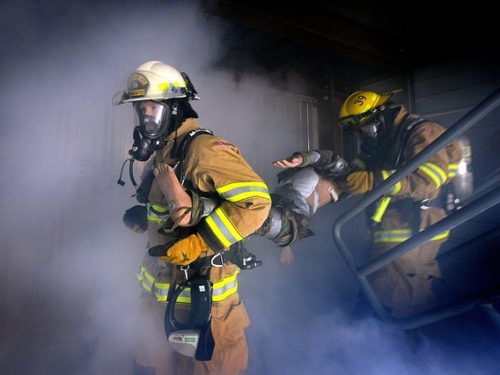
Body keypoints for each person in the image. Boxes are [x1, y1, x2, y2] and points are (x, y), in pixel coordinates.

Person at [114, 60, 271, 375]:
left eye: (152, 109)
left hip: (205, 301)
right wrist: (146, 219)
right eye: (140, 110)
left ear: (174, 109)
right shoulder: (164, 153)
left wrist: (204, 241)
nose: (145, 118)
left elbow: (256, 203)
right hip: (161, 298)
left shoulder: (204, 150)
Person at [282, 91, 462, 318]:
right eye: (359, 132)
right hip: (390, 226)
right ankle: (380, 336)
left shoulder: (423, 132)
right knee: (387, 289)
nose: (364, 136)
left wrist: (371, 180)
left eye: (366, 129)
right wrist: (311, 163)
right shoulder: (380, 142)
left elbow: (427, 182)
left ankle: (400, 344)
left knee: (398, 296)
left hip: (414, 226)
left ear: (382, 115)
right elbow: (352, 173)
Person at [258, 151, 348, 267]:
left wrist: (286, 244)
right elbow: (276, 218)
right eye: (333, 195)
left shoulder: (306, 203)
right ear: (328, 184)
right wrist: (302, 158)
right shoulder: (310, 178)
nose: (328, 200)